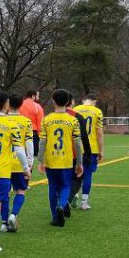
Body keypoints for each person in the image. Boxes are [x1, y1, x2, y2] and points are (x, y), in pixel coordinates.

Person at [0, 91, 31, 252]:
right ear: (6, 105)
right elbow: (19, 150)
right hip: (1, 171)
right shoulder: (11, 124)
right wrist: (26, 168)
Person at [38, 89, 84, 227]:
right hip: (66, 160)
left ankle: (55, 217)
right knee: (65, 185)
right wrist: (79, 162)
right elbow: (77, 143)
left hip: (51, 160)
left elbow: (42, 142)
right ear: (68, 102)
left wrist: (40, 160)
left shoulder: (46, 119)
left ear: (53, 102)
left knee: (52, 187)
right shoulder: (73, 120)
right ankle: (62, 205)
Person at [5, 93, 35, 232]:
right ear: (21, 105)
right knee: (21, 190)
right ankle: (13, 215)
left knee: (4, 193)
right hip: (19, 162)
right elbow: (29, 143)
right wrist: (30, 161)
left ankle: (4, 222)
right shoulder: (26, 121)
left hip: (3, 163)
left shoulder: (3, 120)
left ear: (8, 104)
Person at [72, 94, 104, 210]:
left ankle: (74, 194)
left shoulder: (74, 110)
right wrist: (101, 150)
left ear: (83, 100)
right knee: (88, 175)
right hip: (91, 148)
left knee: (75, 173)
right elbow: (99, 132)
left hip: (76, 147)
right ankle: (84, 202)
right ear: (94, 101)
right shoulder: (97, 111)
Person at [20, 89, 45, 169]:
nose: (38, 98)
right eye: (37, 96)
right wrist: (41, 137)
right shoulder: (37, 107)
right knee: (30, 156)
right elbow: (40, 124)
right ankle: (28, 172)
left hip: (19, 131)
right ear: (33, 96)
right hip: (32, 133)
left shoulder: (20, 104)